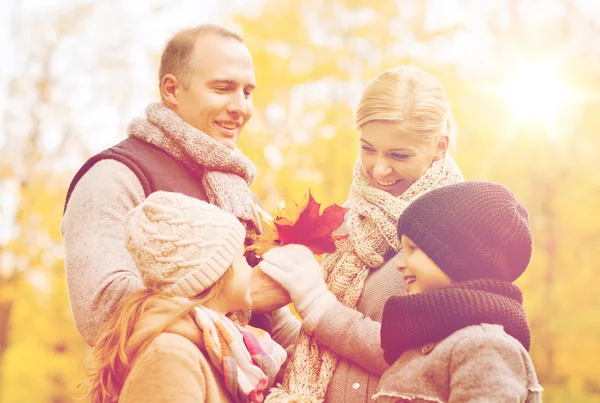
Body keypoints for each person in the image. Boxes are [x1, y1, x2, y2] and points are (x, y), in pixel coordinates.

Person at [61, 24, 298, 350]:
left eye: (247, 92)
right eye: (222, 88)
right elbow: (101, 311)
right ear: (172, 90)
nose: (240, 107)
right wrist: (237, 296)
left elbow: (275, 327)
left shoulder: (239, 192)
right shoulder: (115, 175)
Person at [258, 66, 464, 402]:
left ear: (439, 146)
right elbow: (322, 352)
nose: (379, 169)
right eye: (368, 149)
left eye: (399, 155)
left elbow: (425, 357)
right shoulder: (351, 220)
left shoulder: (458, 229)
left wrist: (318, 305)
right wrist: (273, 307)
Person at [88, 191, 288, 403]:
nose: (250, 267)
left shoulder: (223, 353)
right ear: (214, 274)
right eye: (241, 257)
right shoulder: (170, 357)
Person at [373, 181, 543, 402]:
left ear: (460, 256)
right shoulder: (431, 343)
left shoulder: (483, 345)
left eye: (413, 249)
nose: (400, 264)